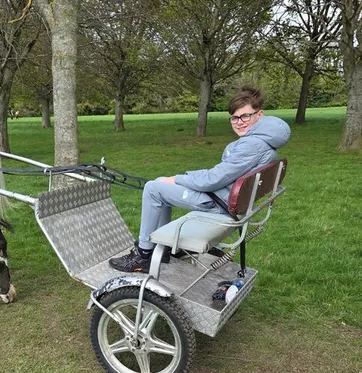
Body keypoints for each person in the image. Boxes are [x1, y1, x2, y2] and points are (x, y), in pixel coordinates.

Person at [109, 86, 291, 273]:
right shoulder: (263, 140)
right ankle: (161, 248)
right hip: (225, 198)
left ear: (259, 115)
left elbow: (212, 180)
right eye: (234, 118)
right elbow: (220, 175)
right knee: (160, 182)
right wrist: (178, 179)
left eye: (245, 116)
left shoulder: (252, 145)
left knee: (152, 188)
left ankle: (144, 254)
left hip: (218, 203)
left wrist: (178, 178)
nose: (239, 122)